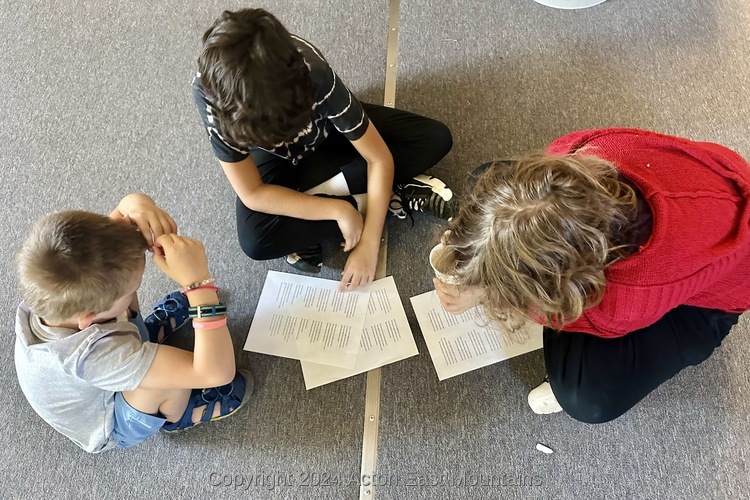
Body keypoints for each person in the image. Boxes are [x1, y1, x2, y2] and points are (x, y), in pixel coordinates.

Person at [433, 128, 750, 423]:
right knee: (484, 180)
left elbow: (569, 311)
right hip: (707, 194)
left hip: (716, 298)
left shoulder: (627, 298)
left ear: (563, 281)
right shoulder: (580, 150)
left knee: (586, 396)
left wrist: (487, 291)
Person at [192, 8, 455, 291]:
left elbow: (377, 157)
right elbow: (252, 193)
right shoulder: (212, 98)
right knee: (256, 241)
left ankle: (363, 195)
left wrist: (369, 244)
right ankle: (387, 193)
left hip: (326, 131)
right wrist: (338, 210)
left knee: (434, 139)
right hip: (274, 161)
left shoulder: (311, 71)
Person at [14, 194, 253, 452]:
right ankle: (177, 414)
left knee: (119, 293)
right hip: (112, 422)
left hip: (99, 363)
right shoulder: (94, 357)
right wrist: (199, 285)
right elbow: (215, 373)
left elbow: (101, 241)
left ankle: (141, 338)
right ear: (89, 318)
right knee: (161, 381)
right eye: (133, 290)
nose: (135, 292)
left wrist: (134, 205)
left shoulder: (51, 294)